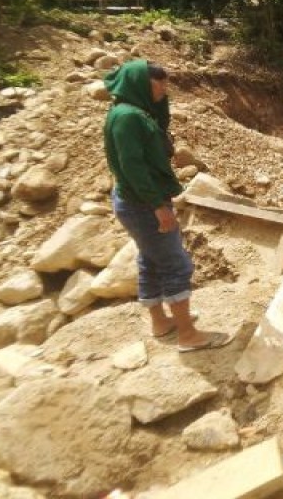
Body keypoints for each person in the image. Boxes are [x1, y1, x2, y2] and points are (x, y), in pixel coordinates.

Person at [103, 59, 230, 352]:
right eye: (159, 82)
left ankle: (161, 322)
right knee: (175, 263)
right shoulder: (129, 118)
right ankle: (187, 335)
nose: (164, 87)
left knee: (150, 259)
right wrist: (158, 205)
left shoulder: (131, 112)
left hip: (136, 201)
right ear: (140, 84)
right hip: (143, 203)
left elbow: (161, 127)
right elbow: (132, 167)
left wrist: (160, 100)